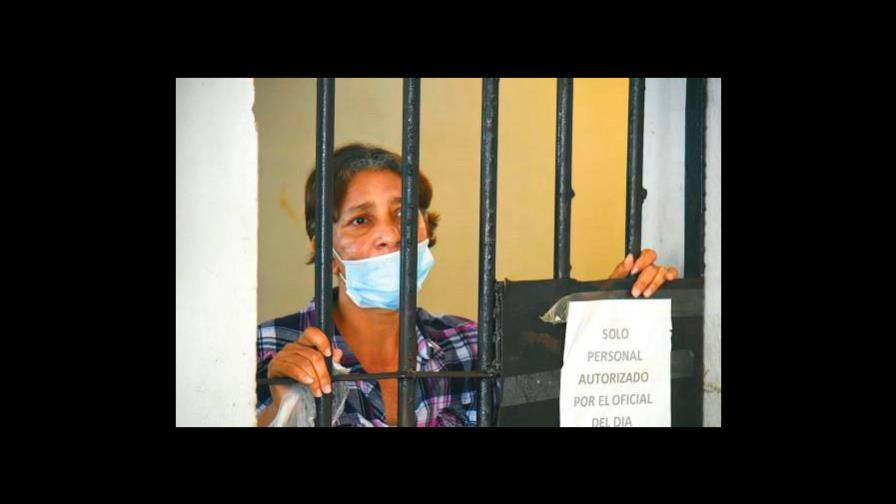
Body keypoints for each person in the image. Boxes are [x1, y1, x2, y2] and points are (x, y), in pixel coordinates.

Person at [256, 143, 678, 427]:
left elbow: (561, 395)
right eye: (361, 220)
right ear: (325, 249)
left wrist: (616, 304)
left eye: (405, 215)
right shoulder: (269, 346)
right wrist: (280, 406)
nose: (391, 235)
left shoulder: (470, 346)